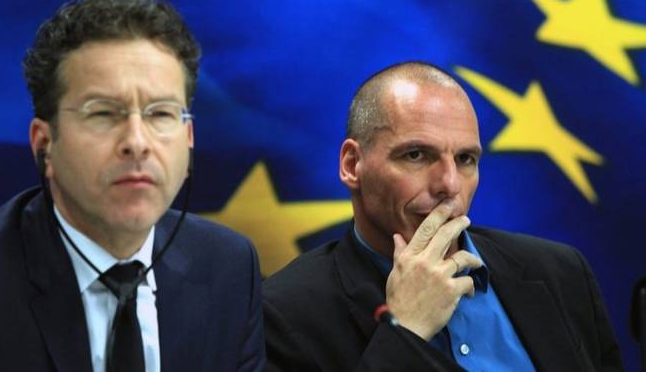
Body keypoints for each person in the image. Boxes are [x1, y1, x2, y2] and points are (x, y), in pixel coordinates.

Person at [263, 62, 623, 371]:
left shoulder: (562, 272)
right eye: (416, 155)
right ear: (352, 164)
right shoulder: (283, 312)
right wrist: (405, 332)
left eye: (465, 159)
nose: (449, 185)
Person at [0, 0, 264, 371]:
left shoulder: (227, 267)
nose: (137, 143)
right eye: (103, 113)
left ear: (188, 139)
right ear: (45, 145)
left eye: (160, 114)